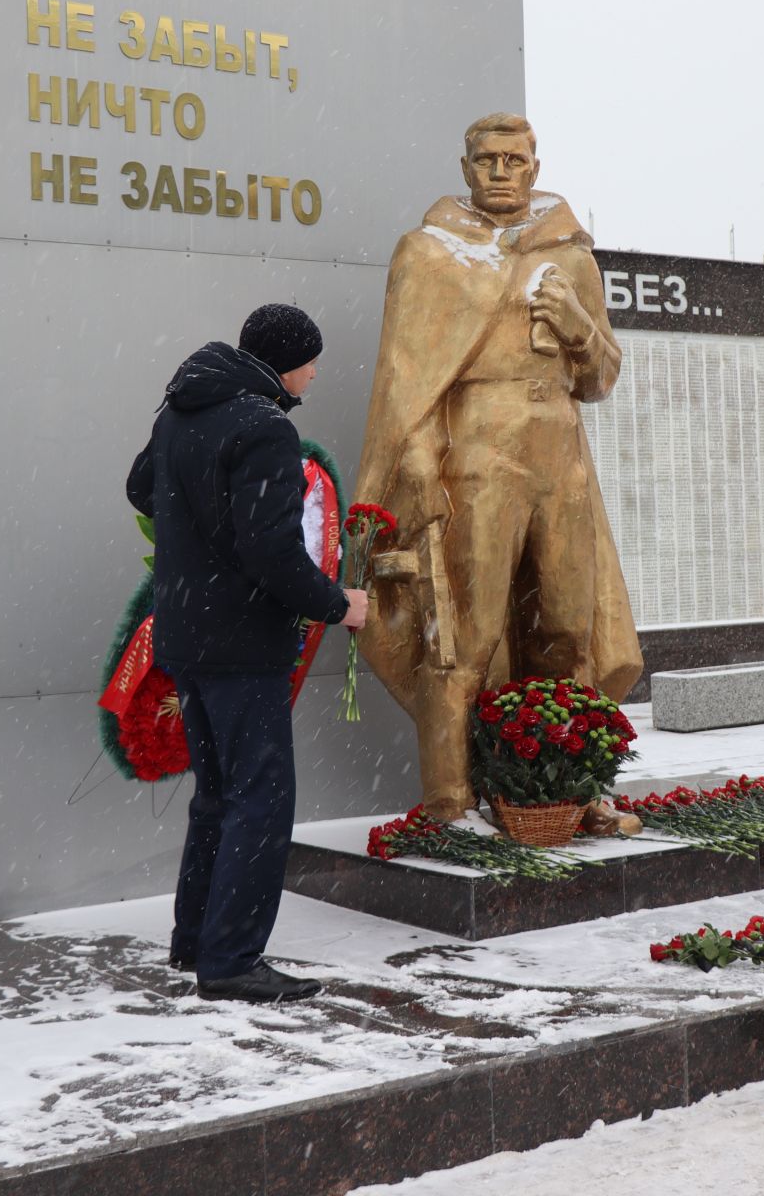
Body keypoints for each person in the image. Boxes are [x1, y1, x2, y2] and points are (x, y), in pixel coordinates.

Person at [350, 111, 642, 821]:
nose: (502, 173)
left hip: (560, 457)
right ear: (466, 169)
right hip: (477, 458)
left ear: (535, 168)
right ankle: (451, 798)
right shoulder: (429, 253)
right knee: (467, 636)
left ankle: (569, 786)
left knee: (567, 629)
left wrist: (578, 326)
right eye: (488, 161)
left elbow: (602, 378)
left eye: (515, 160)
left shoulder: (571, 257)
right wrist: (418, 466)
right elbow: (406, 380)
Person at [126, 303, 368, 1003]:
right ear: (287, 363)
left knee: (218, 796)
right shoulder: (263, 426)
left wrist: (199, 509)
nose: (315, 374)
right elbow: (270, 550)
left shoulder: (183, 410)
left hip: (187, 635)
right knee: (259, 801)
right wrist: (337, 603)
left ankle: (198, 939)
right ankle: (231, 961)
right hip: (240, 639)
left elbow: (141, 486)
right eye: (312, 362)